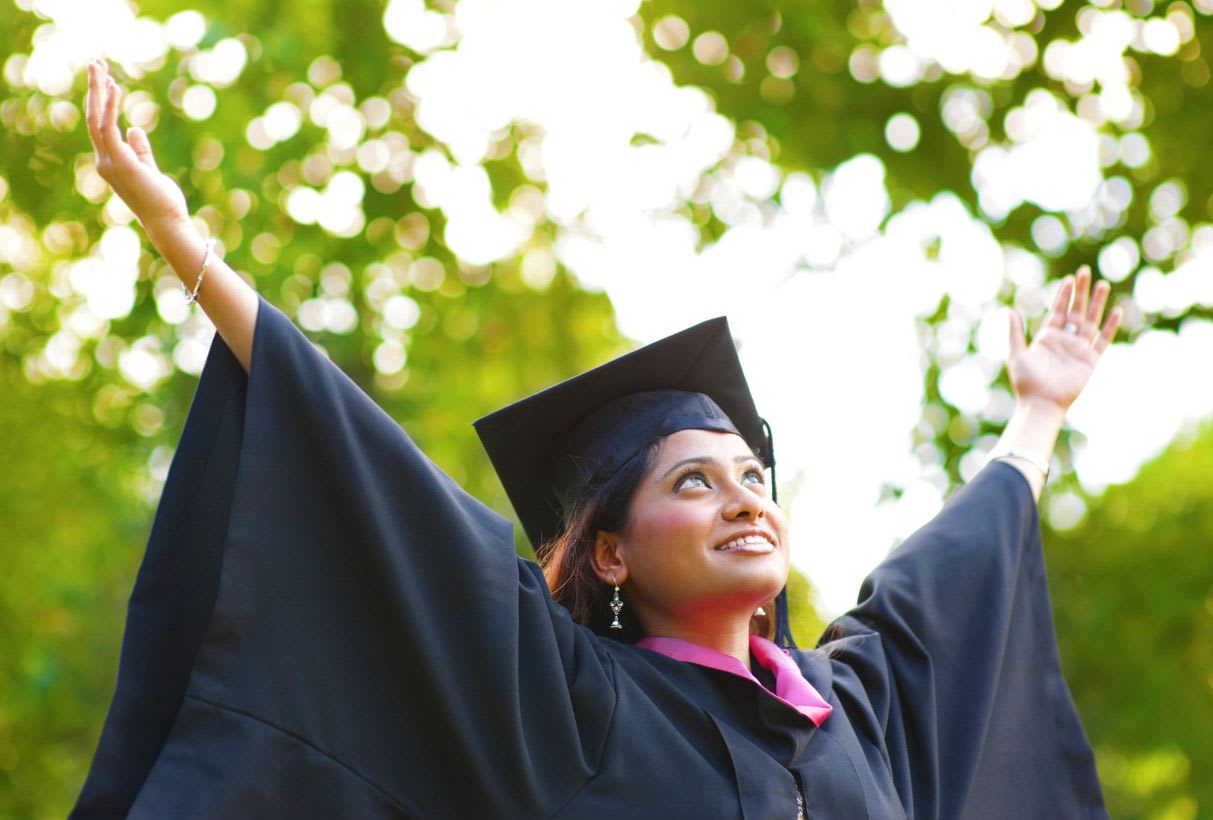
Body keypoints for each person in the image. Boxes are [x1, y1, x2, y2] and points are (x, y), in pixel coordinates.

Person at [75, 59, 1119, 818]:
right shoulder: (577, 703)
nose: (746, 499)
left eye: (752, 476)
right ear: (609, 550)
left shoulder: (853, 708)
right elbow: (390, 500)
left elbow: (955, 583)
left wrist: (1037, 411)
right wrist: (185, 242)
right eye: (696, 482)